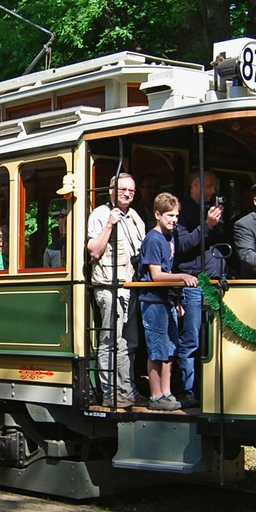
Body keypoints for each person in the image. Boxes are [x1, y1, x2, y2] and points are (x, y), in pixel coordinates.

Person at [86, 172, 148, 409]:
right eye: (123, 189)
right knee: (111, 339)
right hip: (109, 286)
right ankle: (110, 392)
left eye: (131, 191)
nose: (127, 194)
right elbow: (94, 250)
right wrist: (110, 225)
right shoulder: (101, 214)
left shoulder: (134, 217)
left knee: (129, 342)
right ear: (111, 191)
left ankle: (128, 391)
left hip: (129, 286)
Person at [138, 192, 199, 411]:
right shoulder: (153, 239)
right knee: (157, 349)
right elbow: (156, 275)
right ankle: (155, 396)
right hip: (153, 301)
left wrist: (177, 300)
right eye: (170, 215)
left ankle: (167, 392)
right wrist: (182, 277)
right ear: (157, 214)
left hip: (168, 300)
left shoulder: (170, 237)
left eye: (176, 215)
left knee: (170, 348)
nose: (174, 220)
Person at [173, 170, 225, 406]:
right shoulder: (182, 213)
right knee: (191, 338)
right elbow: (182, 245)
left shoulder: (211, 210)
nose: (214, 191)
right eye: (210, 186)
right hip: (193, 283)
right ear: (196, 185)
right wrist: (207, 226)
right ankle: (187, 389)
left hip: (214, 283)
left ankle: (211, 387)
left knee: (212, 339)